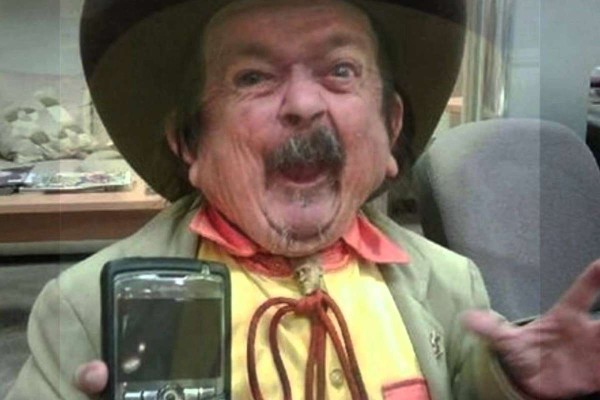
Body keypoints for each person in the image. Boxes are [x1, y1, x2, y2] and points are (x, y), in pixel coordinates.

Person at [7, 0, 600, 399]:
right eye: (253, 77)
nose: (304, 104)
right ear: (189, 143)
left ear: (391, 129)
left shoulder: (450, 285)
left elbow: (469, 385)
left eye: (340, 70)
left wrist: (516, 382)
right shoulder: (84, 308)